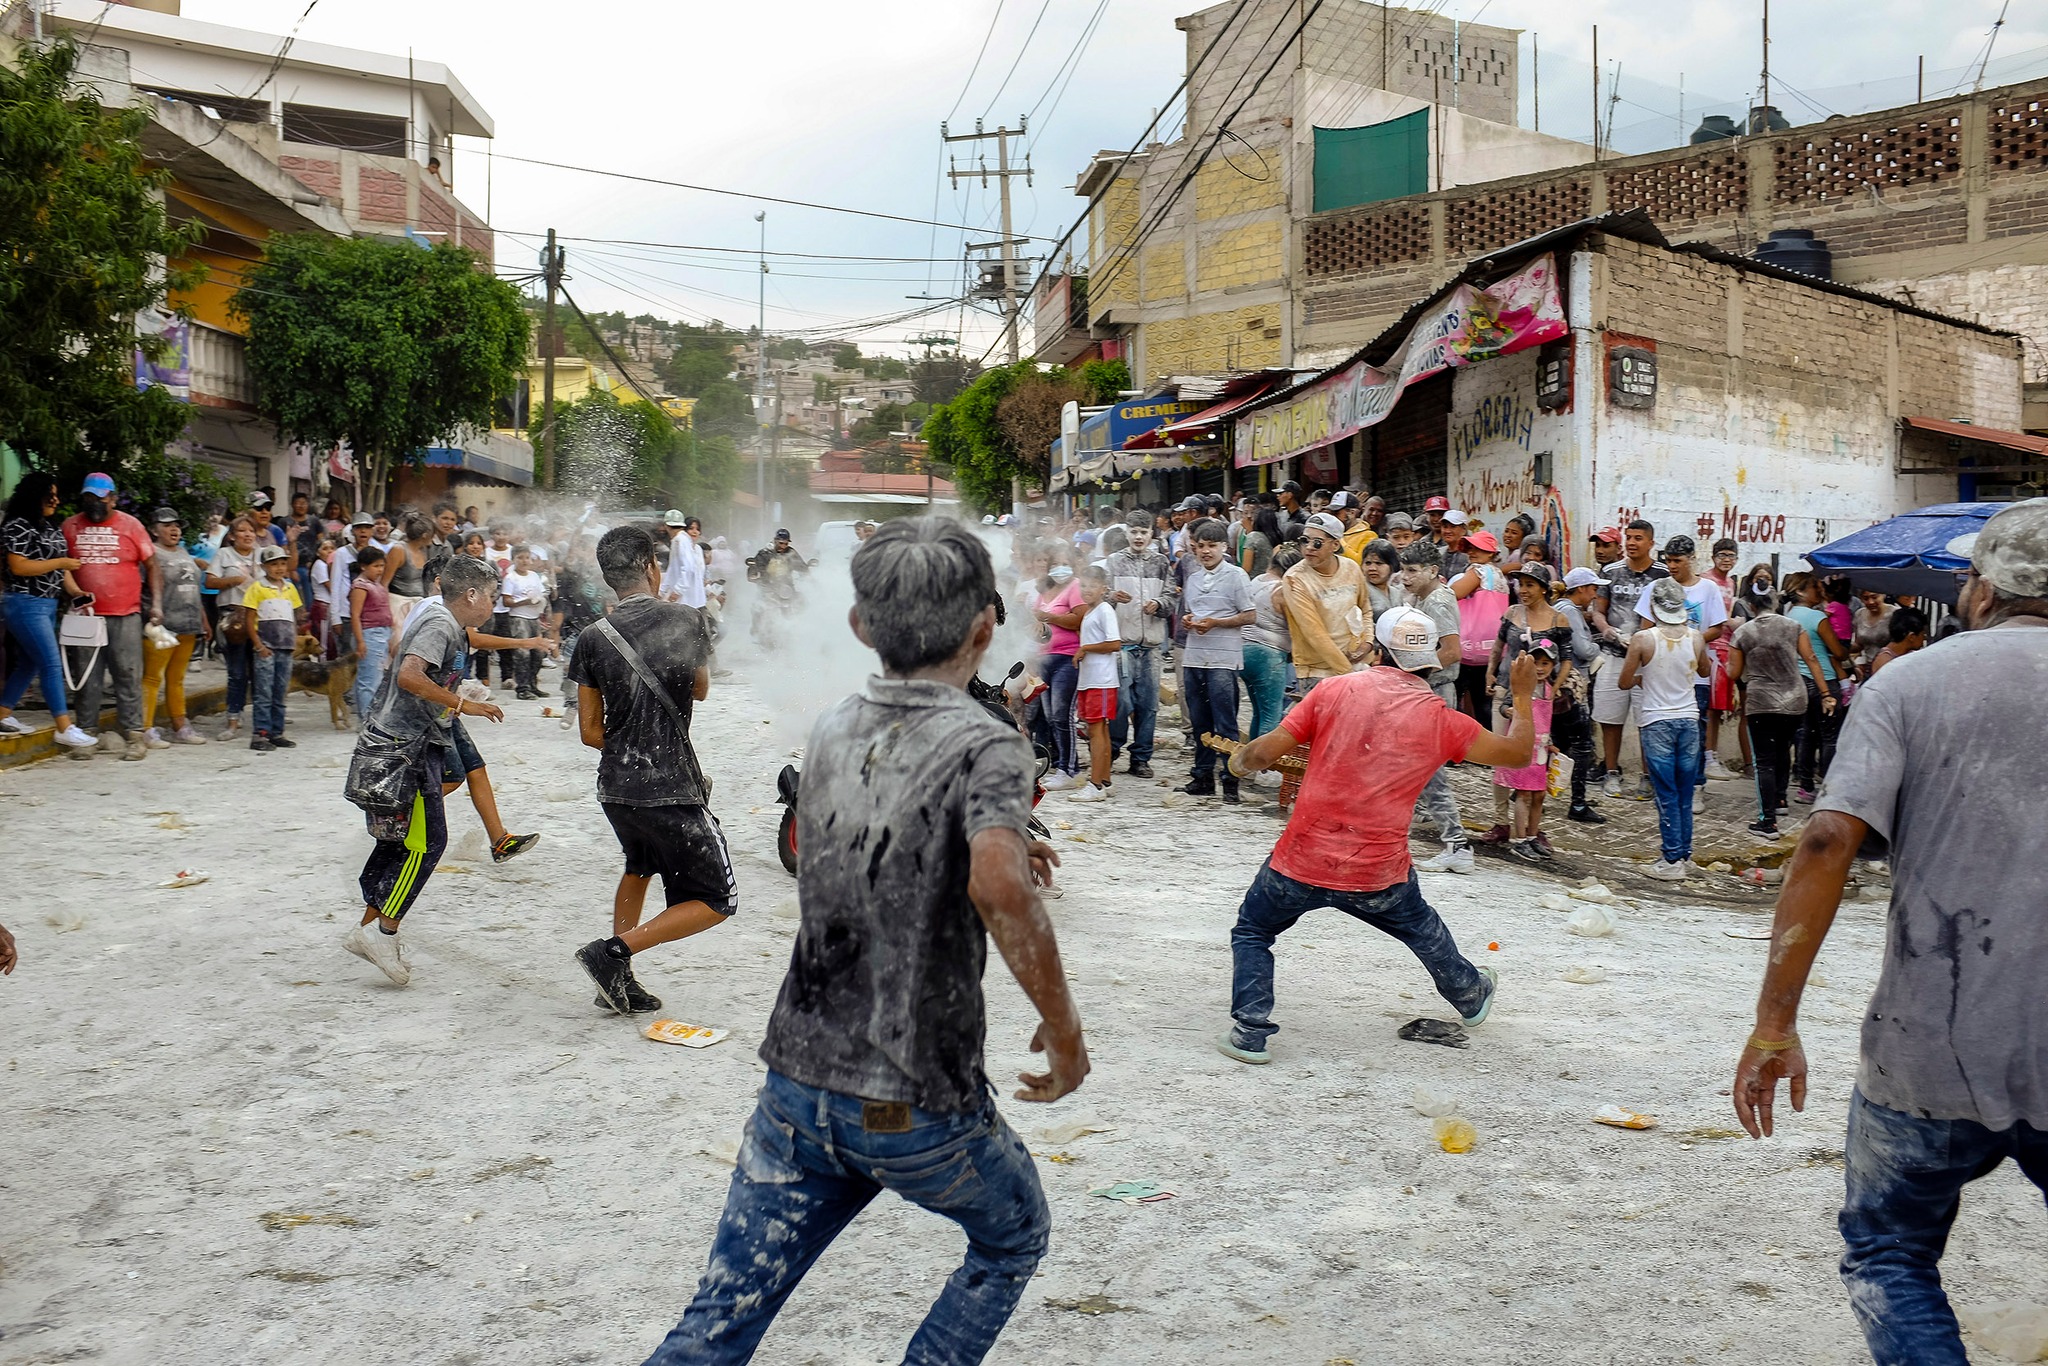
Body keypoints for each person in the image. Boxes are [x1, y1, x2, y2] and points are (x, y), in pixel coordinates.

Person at [647, 517, 1085, 1366]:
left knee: (717, 1324)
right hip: (912, 1100)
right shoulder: (987, 740)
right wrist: (1064, 1031)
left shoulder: (835, 724)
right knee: (1012, 1237)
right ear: (985, 628)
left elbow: (892, 838)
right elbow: (998, 889)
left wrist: (987, 834)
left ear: (858, 627)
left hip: (796, 1090)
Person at [1731, 498, 2048, 1366]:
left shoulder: (1909, 683)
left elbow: (1829, 840)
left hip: (1930, 1046)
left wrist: (1773, 1026)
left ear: (1979, 590)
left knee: (1890, 1253)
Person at [1217, 609, 1537, 1065]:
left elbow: (1265, 752)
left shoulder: (1334, 689)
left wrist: (1239, 761)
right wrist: (1523, 698)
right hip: (1376, 870)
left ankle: (1250, 1031)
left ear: (1378, 649)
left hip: (1301, 859)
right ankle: (1469, 994)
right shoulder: (1443, 721)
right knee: (1421, 927)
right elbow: (1519, 753)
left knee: (1253, 930)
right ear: (1431, 661)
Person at [567, 526, 726, 1015]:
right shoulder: (686, 619)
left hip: (617, 786)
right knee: (718, 899)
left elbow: (590, 732)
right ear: (651, 567)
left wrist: (630, 744)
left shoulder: (593, 638)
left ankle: (616, 980)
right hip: (670, 785)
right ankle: (613, 954)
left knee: (638, 868)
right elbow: (700, 689)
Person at [343, 555, 506, 986]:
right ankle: (383, 932)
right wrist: (460, 702)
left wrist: (453, 690)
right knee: (427, 843)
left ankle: (368, 932)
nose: (494, 604)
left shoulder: (439, 615)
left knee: (401, 843)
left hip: (406, 742)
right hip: (403, 748)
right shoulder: (441, 624)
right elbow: (410, 675)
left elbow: (411, 667)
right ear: (470, 594)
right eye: (491, 596)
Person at [1619, 578, 1709, 880]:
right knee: (1685, 792)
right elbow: (1705, 670)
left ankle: (1671, 860)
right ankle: (1684, 853)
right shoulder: (1696, 637)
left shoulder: (1643, 639)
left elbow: (1623, 681)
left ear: (1654, 607)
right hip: (1688, 719)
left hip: (1657, 721)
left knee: (1666, 792)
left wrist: (1644, 679)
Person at [61, 472, 155, 760]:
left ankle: (134, 736)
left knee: (128, 675)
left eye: (100, 499)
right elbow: (62, 566)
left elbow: (152, 565)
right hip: (86, 617)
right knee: (88, 678)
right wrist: (76, 593)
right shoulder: (70, 526)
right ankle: (86, 735)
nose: (94, 504)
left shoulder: (132, 525)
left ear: (113, 499)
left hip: (126, 614)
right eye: (89, 498)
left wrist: (157, 605)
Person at [1726, 585, 1832, 838]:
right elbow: (1812, 659)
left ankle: (1767, 821)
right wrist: (1826, 694)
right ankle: (1781, 800)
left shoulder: (1742, 632)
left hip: (1761, 702)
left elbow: (1733, 673)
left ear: (1751, 606)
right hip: (1795, 699)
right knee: (1784, 752)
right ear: (1775, 603)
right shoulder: (1793, 626)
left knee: (1764, 762)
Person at [0, 471, 94, 748]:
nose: (55, 499)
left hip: (46, 603)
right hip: (25, 602)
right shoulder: (17, 526)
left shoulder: (48, 526)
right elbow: (19, 566)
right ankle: (63, 726)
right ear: (35, 496)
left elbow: (59, 563)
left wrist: (76, 591)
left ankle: (2, 714)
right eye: (49, 495)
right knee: (50, 663)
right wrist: (61, 564)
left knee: (30, 663)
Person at [1397, 541, 1473, 875]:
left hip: (1435, 691)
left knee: (1430, 774)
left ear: (1432, 571)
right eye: (1403, 569)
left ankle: (1457, 845)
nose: (1405, 577)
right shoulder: (1423, 598)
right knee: (1416, 771)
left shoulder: (1439, 600)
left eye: (1412, 571)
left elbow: (1453, 651)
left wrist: (1413, 673)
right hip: (1428, 690)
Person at [1177, 518, 1255, 802]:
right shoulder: (1193, 578)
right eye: (1200, 546)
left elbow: (1249, 615)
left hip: (1223, 659)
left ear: (1224, 546)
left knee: (1225, 723)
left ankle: (1230, 782)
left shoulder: (1236, 576)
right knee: (1199, 721)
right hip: (1194, 657)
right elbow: (1191, 612)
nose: (1206, 551)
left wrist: (1216, 623)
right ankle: (1202, 777)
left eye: (1212, 546)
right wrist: (1188, 621)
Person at [1590, 519, 1671, 793]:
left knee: (1647, 718)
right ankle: (1611, 772)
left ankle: (1648, 778)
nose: (1632, 543)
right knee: (1609, 716)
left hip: (1649, 660)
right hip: (1612, 654)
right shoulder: (1610, 571)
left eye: (1638, 538)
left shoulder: (1663, 574)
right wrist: (1607, 630)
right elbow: (1598, 611)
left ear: (1651, 543)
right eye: (1629, 537)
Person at [1102, 509, 1174, 779]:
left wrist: (1159, 604)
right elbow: (1099, 595)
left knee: (1149, 704)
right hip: (1121, 645)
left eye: (1143, 532)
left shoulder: (1161, 563)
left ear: (1151, 534)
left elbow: (1171, 597)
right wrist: (1111, 596)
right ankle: (1113, 747)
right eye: (1134, 532)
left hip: (1152, 646)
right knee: (1120, 702)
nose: (1139, 537)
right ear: (1127, 533)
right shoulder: (1113, 562)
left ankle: (1141, 757)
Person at [1279, 512, 1371, 694]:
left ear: (1335, 545)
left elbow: (1365, 609)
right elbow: (1314, 634)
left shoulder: (1351, 568)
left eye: (1317, 543)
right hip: (1316, 671)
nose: (1309, 548)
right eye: (1304, 540)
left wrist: (1367, 643)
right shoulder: (1295, 578)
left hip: (1356, 665)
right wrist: (1347, 672)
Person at [140, 508, 209, 747]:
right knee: (151, 678)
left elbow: (192, 588)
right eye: (167, 525)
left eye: (177, 525)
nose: (174, 529)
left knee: (177, 678)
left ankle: (181, 726)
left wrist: (203, 620)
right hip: (162, 627)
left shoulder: (183, 552)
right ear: (153, 529)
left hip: (188, 625)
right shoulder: (150, 554)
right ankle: (145, 729)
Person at [1783, 571, 1850, 803]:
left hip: (1800, 681)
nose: (1819, 590)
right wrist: (1844, 650)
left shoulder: (1789, 616)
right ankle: (1829, 788)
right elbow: (1838, 652)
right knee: (1830, 736)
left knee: (1807, 735)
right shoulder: (1816, 618)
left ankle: (1805, 787)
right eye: (1814, 587)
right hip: (1824, 680)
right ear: (1802, 591)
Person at [1495, 637, 1562, 864]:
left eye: (1546, 664)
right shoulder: (1521, 687)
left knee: (1539, 794)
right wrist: (1511, 712)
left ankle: (1533, 835)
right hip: (1523, 746)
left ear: (1553, 666)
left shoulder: (1549, 690)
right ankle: (1519, 839)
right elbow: (1504, 706)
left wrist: (1550, 742)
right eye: (1537, 662)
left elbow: (1546, 720)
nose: (1540, 668)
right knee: (1523, 794)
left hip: (1541, 749)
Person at [1552, 566, 1606, 824]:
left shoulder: (1559, 608)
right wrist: (1599, 645)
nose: (1595, 594)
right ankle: (1578, 803)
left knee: (1558, 744)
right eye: (1593, 589)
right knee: (1582, 745)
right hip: (1571, 687)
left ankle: (1531, 791)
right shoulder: (1570, 611)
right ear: (1581, 589)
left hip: (1558, 686)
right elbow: (1583, 649)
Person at [1066, 564, 1120, 803]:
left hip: (1102, 680)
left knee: (1096, 732)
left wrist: (1085, 648)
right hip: (1089, 680)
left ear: (1103, 588)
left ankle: (1095, 785)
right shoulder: (1089, 611)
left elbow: (1114, 644)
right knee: (1100, 730)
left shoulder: (1105, 610)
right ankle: (1105, 780)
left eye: (1092, 586)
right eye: (1084, 586)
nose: (1087, 590)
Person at [242, 545, 304, 751]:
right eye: (273, 564)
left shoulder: (289, 588)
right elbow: (249, 620)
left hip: (285, 647)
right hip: (266, 648)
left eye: (282, 563)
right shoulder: (257, 588)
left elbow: (293, 618)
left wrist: (293, 640)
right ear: (263, 566)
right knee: (264, 692)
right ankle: (260, 734)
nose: (279, 568)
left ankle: (277, 732)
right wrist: (258, 645)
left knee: (280, 691)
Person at [1031, 554, 1085, 790]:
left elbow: (1078, 619)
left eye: (1065, 564)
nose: (1059, 569)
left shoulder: (1075, 587)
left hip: (1066, 657)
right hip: (1044, 658)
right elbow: (1035, 623)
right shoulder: (1045, 592)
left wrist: (1050, 617)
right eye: (1055, 565)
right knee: (1051, 716)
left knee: (1063, 716)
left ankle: (1069, 769)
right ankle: (1061, 766)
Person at [1449, 529, 1509, 722]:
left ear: (1491, 553)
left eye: (1478, 549)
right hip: (1491, 650)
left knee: (1454, 702)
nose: (1472, 552)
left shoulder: (1480, 571)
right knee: (1485, 706)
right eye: (1470, 548)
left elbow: (1454, 593)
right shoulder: (1498, 574)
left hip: (1469, 650)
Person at [209, 518, 259, 740]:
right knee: (237, 672)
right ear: (231, 535)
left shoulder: (263, 553)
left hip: (260, 618)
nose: (247, 534)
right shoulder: (224, 555)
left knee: (261, 672)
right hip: (233, 619)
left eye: (251, 530)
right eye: (242, 530)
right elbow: (209, 582)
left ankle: (263, 720)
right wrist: (234, 580)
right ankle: (233, 719)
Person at [1241, 543, 1296, 745]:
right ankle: (1264, 772)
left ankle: (1248, 765)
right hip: (1269, 656)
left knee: (1258, 712)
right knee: (1271, 716)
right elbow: (1296, 627)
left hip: (1244, 651)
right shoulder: (1282, 590)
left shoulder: (1256, 581)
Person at [348, 546, 394, 719]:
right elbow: (355, 614)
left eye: (382, 566)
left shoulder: (377, 585)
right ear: (363, 566)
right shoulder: (360, 586)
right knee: (368, 680)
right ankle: (367, 719)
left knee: (379, 678)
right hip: (369, 634)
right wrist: (360, 641)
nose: (380, 570)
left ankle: (375, 717)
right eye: (376, 566)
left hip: (383, 633)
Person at [499, 547, 550, 699]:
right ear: (514, 559)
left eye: (527, 558)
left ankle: (533, 684)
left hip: (534, 618)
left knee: (538, 653)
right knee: (522, 654)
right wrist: (525, 601)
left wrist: (541, 602)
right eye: (520, 558)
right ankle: (522, 688)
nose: (524, 561)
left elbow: (541, 593)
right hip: (519, 619)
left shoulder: (534, 575)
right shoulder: (510, 578)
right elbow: (506, 601)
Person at [1864, 605, 1927, 678]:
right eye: (1923, 634)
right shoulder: (1885, 662)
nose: (1924, 637)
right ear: (1911, 637)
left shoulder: (1907, 655)